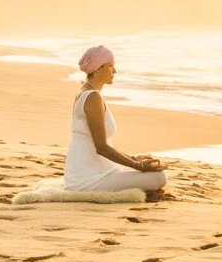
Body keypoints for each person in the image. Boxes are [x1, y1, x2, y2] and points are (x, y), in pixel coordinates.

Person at [64, 45, 169, 202]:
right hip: (88, 178)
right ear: (99, 69)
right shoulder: (92, 98)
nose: (115, 71)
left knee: (149, 169)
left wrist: (135, 159)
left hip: (92, 169)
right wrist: (137, 166)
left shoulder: (87, 92)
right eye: (111, 66)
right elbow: (101, 147)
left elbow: (103, 145)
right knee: (159, 177)